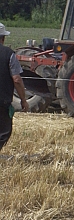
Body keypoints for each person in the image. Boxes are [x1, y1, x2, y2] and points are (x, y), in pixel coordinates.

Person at [0, 23, 29, 152]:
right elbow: (16, 79)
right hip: (2, 101)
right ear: (3, 38)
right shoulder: (8, 54)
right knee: (4, 131)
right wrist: (23, 99)